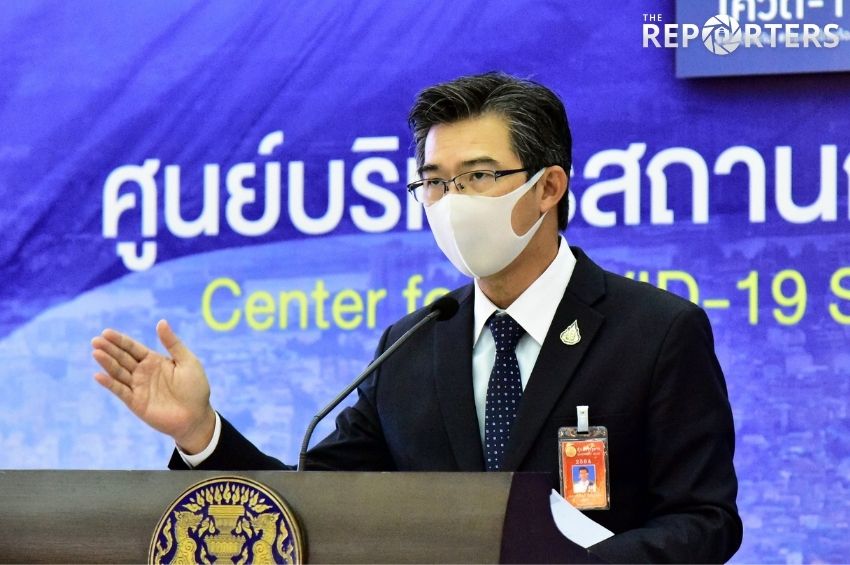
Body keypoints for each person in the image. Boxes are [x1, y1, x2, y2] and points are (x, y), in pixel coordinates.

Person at [91, 72, 742, 562]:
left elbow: (704, 521)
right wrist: (201, 432)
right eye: (434, 181)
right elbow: (311, 505)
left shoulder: (656, 332)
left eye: (478, 176)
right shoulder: (411, 345)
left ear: (548, 186)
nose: (451, 201)